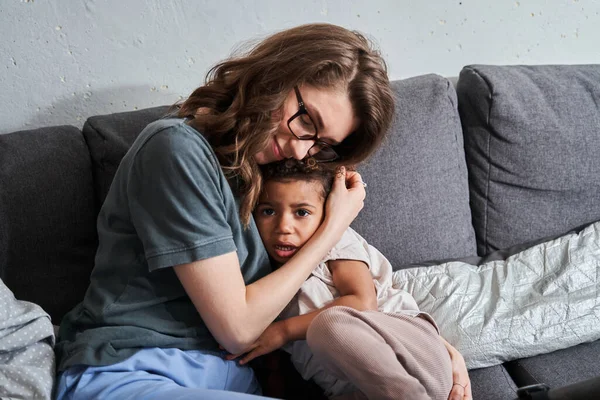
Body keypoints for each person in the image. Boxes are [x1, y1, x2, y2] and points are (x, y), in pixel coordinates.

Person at [53, 23, 468, 400]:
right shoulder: (176, 150)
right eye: (307, 121)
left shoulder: (268, 177)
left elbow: (357, 295)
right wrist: (335, 224)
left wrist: (424, 346)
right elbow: (238, 330)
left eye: (320, 144)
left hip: (231, 378)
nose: (301, 148)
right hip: (134, 368)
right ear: (277, 74)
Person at [224, 159, 471, 400]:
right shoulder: (263, 277)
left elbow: (363, 302)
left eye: (302, 212)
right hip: (359, 391)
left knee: (325, 326)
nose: (283, 226)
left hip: (413, 359)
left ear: (327, 214)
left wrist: (283, 331)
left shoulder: (335, 241)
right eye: (268, 211)